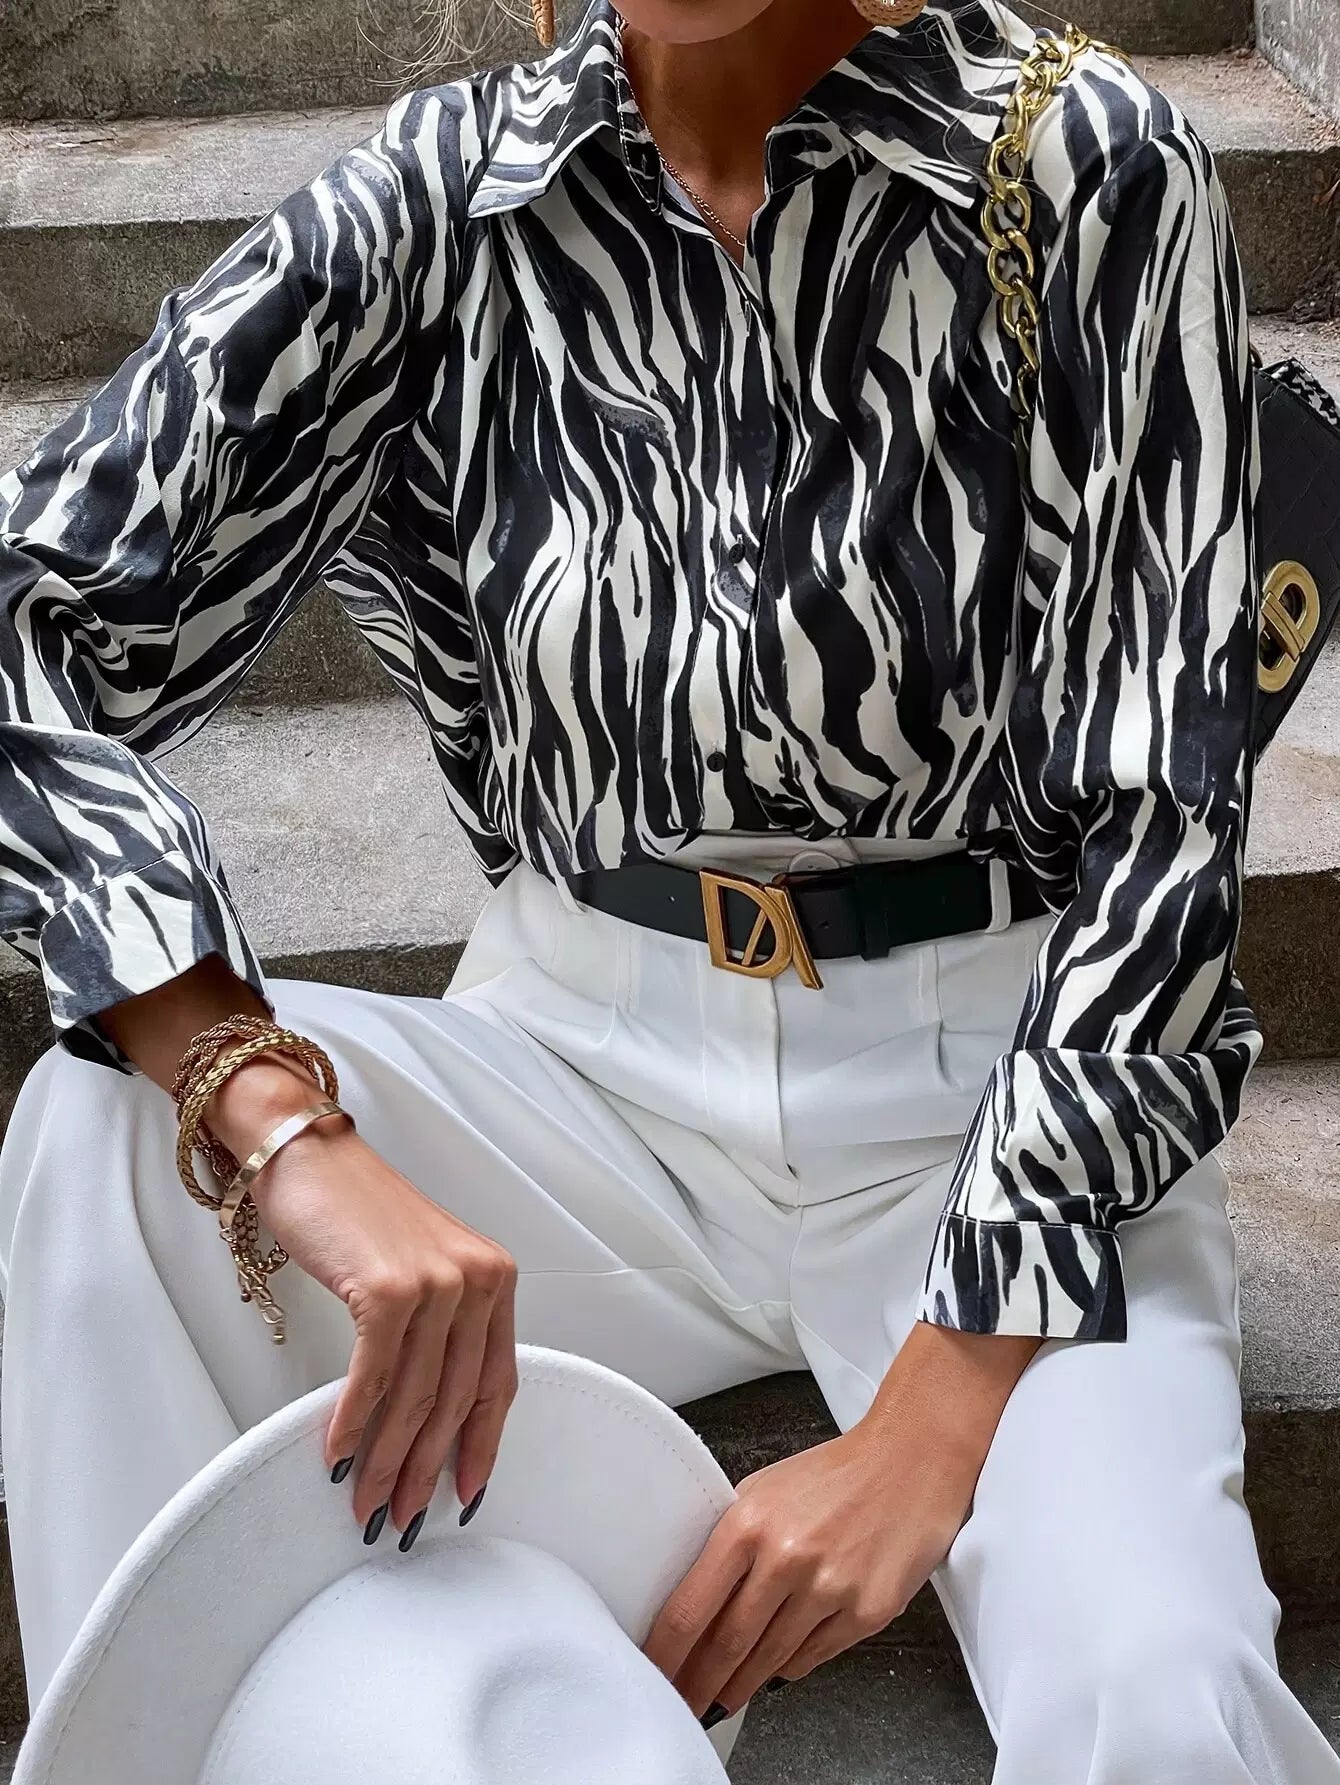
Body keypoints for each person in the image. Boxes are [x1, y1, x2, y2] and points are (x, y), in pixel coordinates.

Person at [0, 0, 1334, 1777]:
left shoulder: (1079, 162)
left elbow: (1165, 826)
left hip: (992, 1090)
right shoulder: (449, 202)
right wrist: (278, 1117)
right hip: (579, 1074)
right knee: (100, 1129)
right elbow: (30, 614)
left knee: (1161, 1701)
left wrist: (931, 1426)